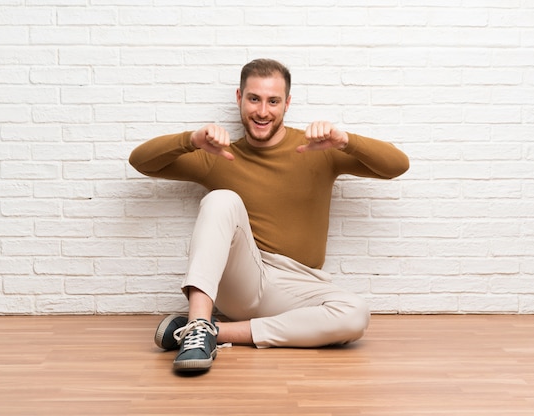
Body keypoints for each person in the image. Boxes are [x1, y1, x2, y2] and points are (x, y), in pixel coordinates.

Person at [128, 58, 409, 373]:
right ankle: (197, 322)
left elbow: (398, 165)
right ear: (239, 98)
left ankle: (210, 331)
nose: (262, 111)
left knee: (355, 314)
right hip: (245, 277)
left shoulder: (320, 149)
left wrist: (346, 141)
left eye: (273, 101)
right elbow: (141, 162)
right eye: (254, 99)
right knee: (222, 199)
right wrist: (190, 140)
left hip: (300, 283)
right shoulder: (219, 155)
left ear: (287, 103)